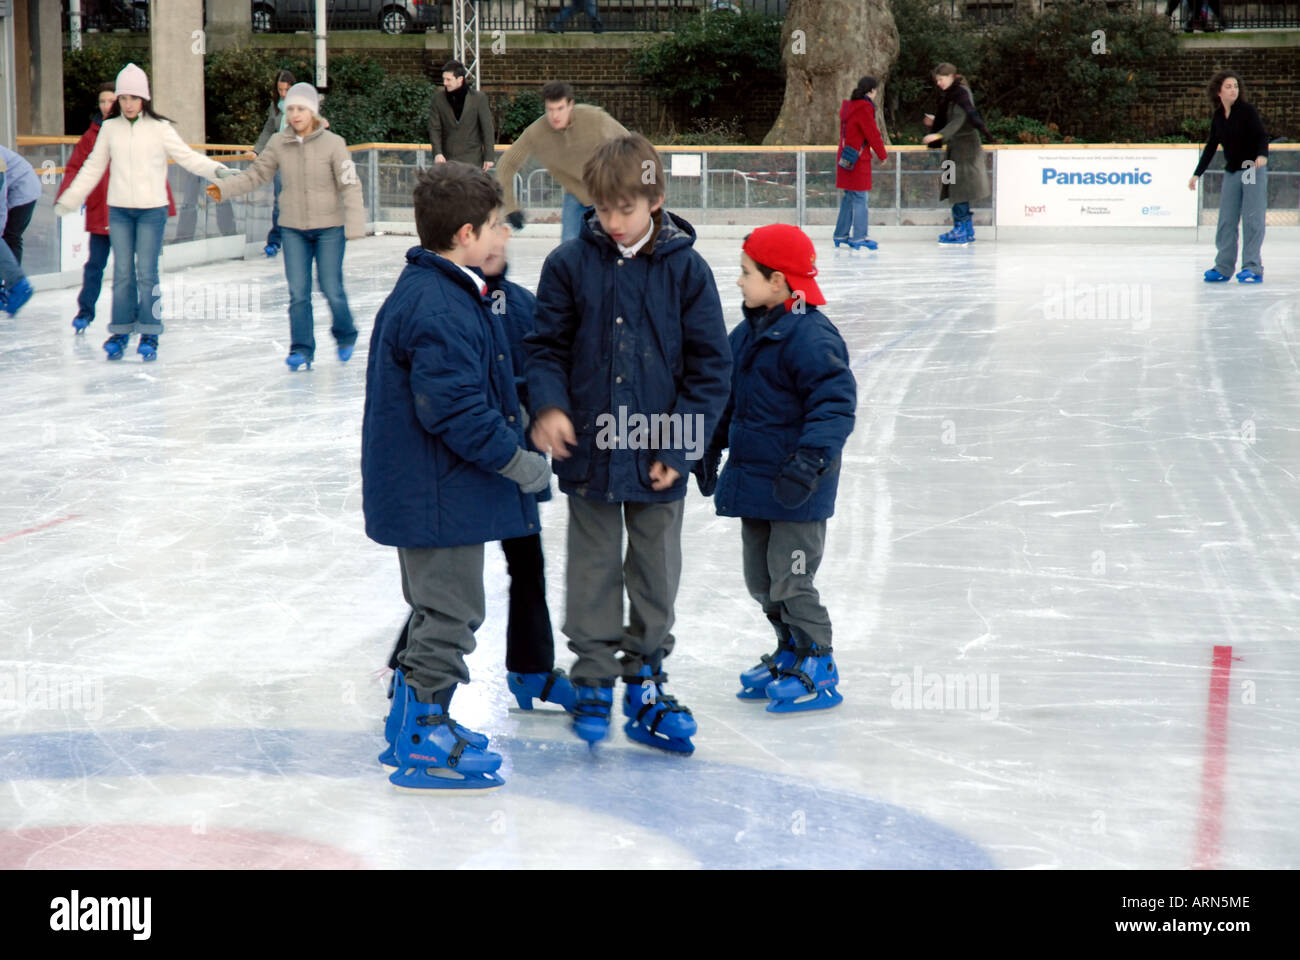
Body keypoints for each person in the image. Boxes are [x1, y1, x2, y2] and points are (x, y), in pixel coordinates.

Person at [525, 134, 731, 753]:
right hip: (589, 448)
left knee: (655, 568)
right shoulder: (568, 263)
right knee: (590, 567)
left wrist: (682, 447)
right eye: (603, 209)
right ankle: (592, 677)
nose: (612, 222)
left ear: (656, 200)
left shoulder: (687, 271)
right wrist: (551, 405)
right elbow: (545, 349)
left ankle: (644, 674)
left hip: (660, 453)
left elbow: (711, 370)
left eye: (625, 210)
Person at [364, 162, 550, 791]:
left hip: (430, 490)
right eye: (498, 225)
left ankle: (409, 725)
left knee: (433, 610)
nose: (505, 237)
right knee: (451, 613)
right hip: (437, 494)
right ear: (467, 233)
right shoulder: (440, 305)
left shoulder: (442, 290)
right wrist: (520, 462)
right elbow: (455, 410)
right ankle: (425, 737)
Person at [384, 220, 576, 714]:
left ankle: (531, 669)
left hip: (513, 455)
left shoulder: (521, 305)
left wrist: (547, 414)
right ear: (465, 238)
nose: (496, 248)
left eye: (501, 238)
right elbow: (447, 401)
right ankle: (412, 674)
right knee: (447, 582)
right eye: (488, 234)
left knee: (527, 563)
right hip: (471, 457)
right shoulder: (451, 300)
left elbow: (548, 368)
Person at [695, 225, 856, 712]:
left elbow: (835, 406)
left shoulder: (811, 335)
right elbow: (725, 398)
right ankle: (790, 650)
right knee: (760, 580)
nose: (739, 282)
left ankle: (817, 660)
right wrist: (708, 446)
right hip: (756, 481)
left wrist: (810, 462)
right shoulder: (747, 334)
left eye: (747, 273)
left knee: (792, 577)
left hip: (798, 487)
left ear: (780, 281)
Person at [54, 63, 234, 361]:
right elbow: (92, 168)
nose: (127, 104)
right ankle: (121, 330)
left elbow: (187, 158)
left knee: (147, 273)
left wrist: (217, 169)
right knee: (123, 273)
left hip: (152, 211)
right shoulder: (110, 129)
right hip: (120, 211)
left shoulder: (160, 129)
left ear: (144, 99)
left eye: (133, 98)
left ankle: (150, 331)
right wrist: (71, 199)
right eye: (123, 98)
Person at [207, 83, 363, 369]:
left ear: (313, 111)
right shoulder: (279, 143)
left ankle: (345, 334)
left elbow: (350, 184)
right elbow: (256, 175)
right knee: (298, 293)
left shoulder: (333, 143)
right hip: (292, 229)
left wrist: (353, 225)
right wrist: (225, 188)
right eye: (290, 109)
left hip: (329, 227)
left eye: (301, 108)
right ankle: (302, 349)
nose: (295, 114)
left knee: (331, 287)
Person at [57, 83, 180, 334]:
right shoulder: (92, 136)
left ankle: (139, 319)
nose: (107, 106)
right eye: (103, 102)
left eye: (112, 101)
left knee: (138, 270)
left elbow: (153, 170)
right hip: (103, 213)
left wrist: (161, 203)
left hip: (135, 212)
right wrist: (68, 196)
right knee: (95, 265)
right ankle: (85, 311)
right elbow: (75, 169)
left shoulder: (140, 131)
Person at [494, 81, 628, 243]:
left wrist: (646, 187)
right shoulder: (537, 132)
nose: (555, 116)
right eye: (550, 109)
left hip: (607, 193)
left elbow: (633, 145)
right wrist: (510, 207)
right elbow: (505, 164)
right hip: (575, 196)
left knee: (614, 244)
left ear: (570, 105)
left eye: (560, 108)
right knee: (568, 247)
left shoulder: (595, 118)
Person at [1190, 72, 1269, 284]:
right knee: (1226, 220)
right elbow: (1210, 147)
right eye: (1228, 86)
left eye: (1235, 86)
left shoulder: (1246, 111)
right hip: (1232, 170)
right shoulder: (1218, 116)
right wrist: (1197, 173)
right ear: (1219, 91)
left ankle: (1252, 267)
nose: (1234, 89)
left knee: (1252, 217)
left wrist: (1262, 155)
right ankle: (1223, 267)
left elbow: (1261, 135)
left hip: (1250, 167)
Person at [922, 62, 992, 246]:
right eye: (937, 80)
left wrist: (939, 134)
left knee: (959, 189)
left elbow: (959, 121)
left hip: (965, 151)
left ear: (951, 76)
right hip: (953, 149)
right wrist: (936, 122)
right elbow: (951, 120)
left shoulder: (962, 94)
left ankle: (961, 229)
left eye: (941, 79)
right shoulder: (951, 95)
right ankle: (966, 229)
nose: (938, 83)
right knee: (952, 186)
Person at [834, 75, 888, 250]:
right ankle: (859, 237)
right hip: (858, 159)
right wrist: (882, 154)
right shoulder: (864, 108)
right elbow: (872, 133)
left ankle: (840, 234)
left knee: (849, 197)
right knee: (860, 198)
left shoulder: (849, 107)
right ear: (871, 91)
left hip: (845, 157)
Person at [252, 69, 295, 258]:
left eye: (286, 90)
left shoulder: (303, 106)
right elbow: (269, 129)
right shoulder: (276, 106)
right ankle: (275, 241)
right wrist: (256, 150)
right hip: (280, 160)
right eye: (280, 90)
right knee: (280, 202)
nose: (283, 94)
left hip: (300, 159)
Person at [428, 60, 496, 171]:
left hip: (473, 160)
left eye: (448, 79)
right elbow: (434, 129)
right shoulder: (438, 99)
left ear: (460, 79)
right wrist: (437, 153)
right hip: (447, 160)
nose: (444, 83)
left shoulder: (479, 98)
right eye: (443, 79)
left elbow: (487, 128)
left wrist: (489, 157)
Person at [0, 145, 41, 317]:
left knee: (10, 238)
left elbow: (0, 202)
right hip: (16, 187)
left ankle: (16, 285)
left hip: (23, 189)